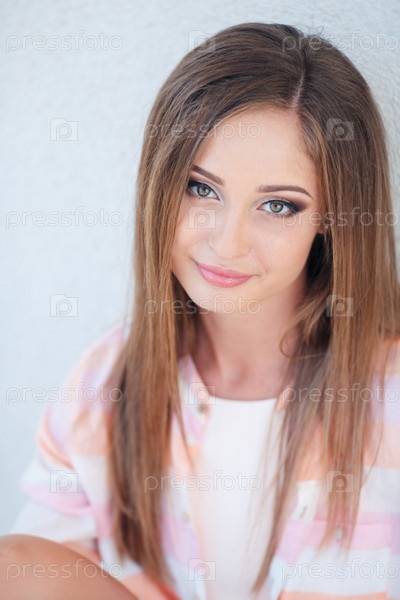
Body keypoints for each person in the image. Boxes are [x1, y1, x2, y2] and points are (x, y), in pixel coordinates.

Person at [1, 21, 400, 600]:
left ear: (332, 218)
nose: (227, 243)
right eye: (201, 188)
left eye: (279, 205)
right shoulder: (102, 386)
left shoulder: (387, 395)